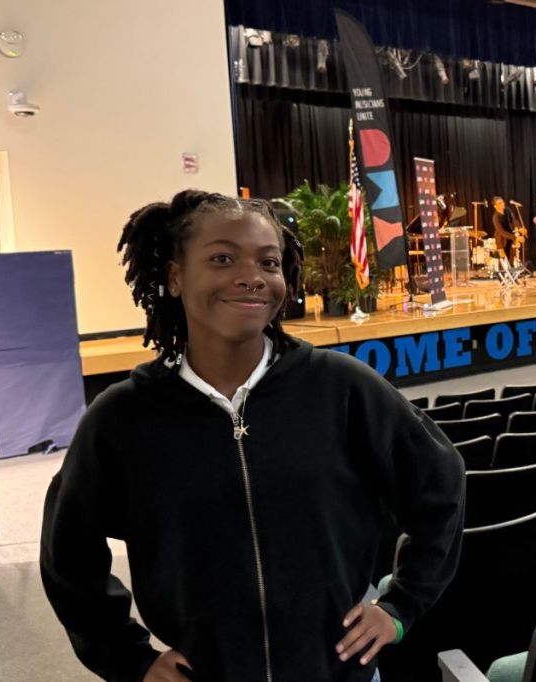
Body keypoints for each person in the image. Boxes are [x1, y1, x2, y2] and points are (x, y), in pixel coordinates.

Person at [40, 191, 465, 682]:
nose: (252, 276)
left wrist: (400, 606)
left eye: (269, 262)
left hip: (339, 673)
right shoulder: (122, 417)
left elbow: (440, 484)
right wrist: (129, 657)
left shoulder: (342, 388)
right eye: (222, 258)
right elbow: (67, 554)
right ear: (175, 277)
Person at [491, 196, 517, 261]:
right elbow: (501, 231)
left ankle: (511, 269)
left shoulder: (507, 211)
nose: (502, 204)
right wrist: (515, 237)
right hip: (501, 241)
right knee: (504, 261)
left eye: (502, 202)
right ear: (495, 206)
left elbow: (514, 220)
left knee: (511, 258)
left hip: (510, 239)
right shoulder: (495, 217)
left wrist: (520, 228)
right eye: (500, 203)